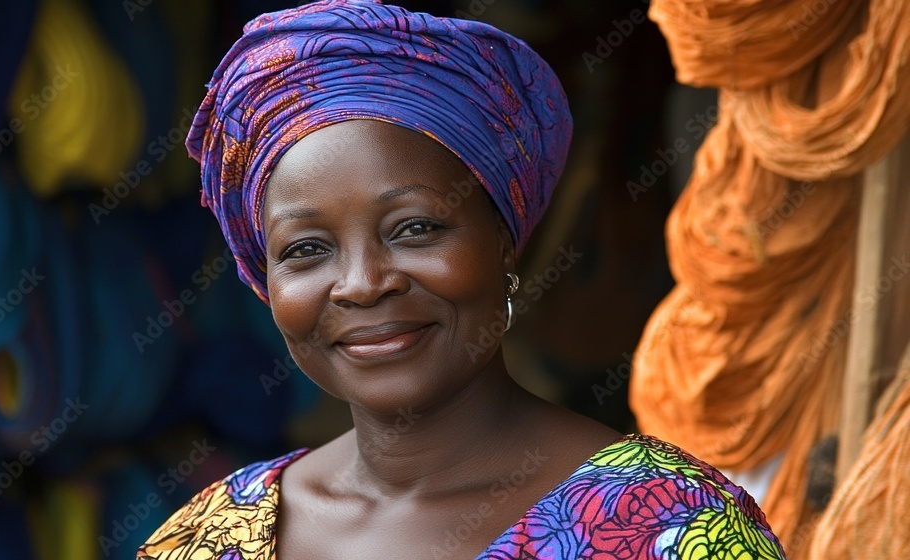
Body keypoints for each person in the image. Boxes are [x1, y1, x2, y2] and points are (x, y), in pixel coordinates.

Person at [137, 1, 786, 558]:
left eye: (415, 228)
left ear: (503, 241)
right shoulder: (208, 536)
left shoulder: (673, 526)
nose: (362, 283)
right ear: (265, 280)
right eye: (307, 249)